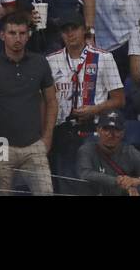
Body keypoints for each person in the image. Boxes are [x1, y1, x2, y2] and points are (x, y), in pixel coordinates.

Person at [0, 12, 56, 196]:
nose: (17, 38)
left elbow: (51, 101)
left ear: (28, 36)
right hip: (1, 145)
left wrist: (47, 137)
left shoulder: (40, 63)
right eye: (12, 33)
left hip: (34, 145)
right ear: (2, 35)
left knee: (46, 192)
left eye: (21, 33)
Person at [46, 12, 124, 192]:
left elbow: (119, 99)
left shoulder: (104, 58)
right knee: (65, 184)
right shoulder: (50, 61)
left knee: (88, 184)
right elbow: (46, 101)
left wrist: (95, 109)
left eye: (74, 29)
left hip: (93, 129)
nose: (70, 34)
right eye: (65, 30)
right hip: (62, 130)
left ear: (84, 31)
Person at [75, 110, 140, 196]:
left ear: (122, 133)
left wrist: (137, 181)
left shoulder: (129, 151)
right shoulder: (87, 150)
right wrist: (117, 181)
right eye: (106, 129)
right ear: (98, 130)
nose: (111, 135)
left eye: (116, 130)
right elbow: (85, 173)